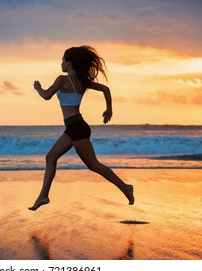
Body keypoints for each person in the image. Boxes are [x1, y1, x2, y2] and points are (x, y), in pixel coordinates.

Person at [29, 46, 134, 211]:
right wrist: (109, 109)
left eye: (63, 60)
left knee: (94, 165)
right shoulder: (82, 81)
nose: (61, 64)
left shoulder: (62, 80)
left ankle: (125, 188)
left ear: (69, 63)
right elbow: (105, 89)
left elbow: (46, 95)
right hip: (75, 127)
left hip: (77, 128)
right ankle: (43, 196)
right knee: (50, 158)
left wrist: (38, 88)